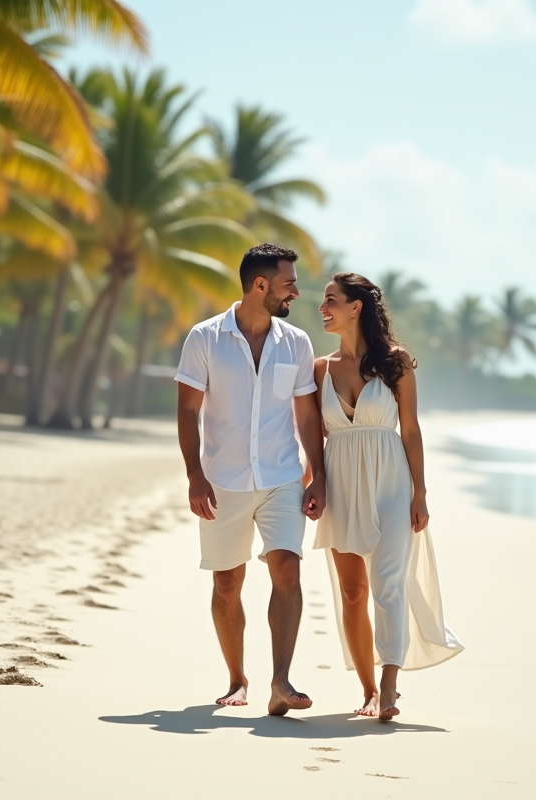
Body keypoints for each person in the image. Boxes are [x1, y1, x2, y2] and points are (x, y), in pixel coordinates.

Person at [175, 243, 327, 716]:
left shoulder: (296, 343)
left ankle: (280, 680)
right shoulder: (204, 338)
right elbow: (187, 410)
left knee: (287, 568)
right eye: (288, 283)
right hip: (222, 481)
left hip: (282, 476)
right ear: (260, 285)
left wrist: (317, 473)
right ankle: (237, 679)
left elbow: (306, 415)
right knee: (227, 582)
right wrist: (195, 474)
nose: (296, 293)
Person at [312, 272, 464, 721]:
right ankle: (366, 689)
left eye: (331, 300)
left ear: (355, 307)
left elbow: (411, 430)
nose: (323, 308)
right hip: (342, 483)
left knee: (388, 584)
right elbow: (310, 436)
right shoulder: (318, 368)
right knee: (352, 591)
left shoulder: (395, 362)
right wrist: (314, 483)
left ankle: (390, 685)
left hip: (392, 481)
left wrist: (421, 492)